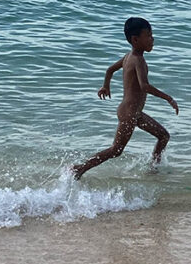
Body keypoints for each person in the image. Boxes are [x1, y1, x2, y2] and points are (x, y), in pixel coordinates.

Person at [72, 17, 179, 179]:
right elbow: (144, 86)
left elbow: (110, 70)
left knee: (163, 136)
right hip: (129, 113)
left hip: (135, 113)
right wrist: (168, 98)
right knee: (116, 150)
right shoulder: (138, 60)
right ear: (135, 40)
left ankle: (153, 168)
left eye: (152, 35)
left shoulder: (129, 56)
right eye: (148, 36)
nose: (152, 39)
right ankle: (80, 168)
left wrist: (105, 85)